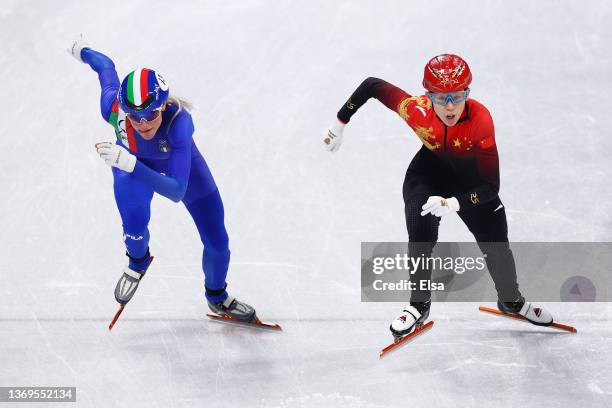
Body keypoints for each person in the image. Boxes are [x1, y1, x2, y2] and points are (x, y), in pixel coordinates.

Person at [324, 54, 554, 337]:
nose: (450, 106)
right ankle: (418, 306)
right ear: (428, 95)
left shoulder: (480, 120)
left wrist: (454, 202)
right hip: (428, 174)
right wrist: (339, 123)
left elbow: (490, 187)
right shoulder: (415, 109)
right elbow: (372, 85)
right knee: (419, 222)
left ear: (467, 93)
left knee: (496, 245)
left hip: (472, 184)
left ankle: (510, 300)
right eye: (442, 97)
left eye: (457, 97)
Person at [68, 35, 256, 322]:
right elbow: (105, 67)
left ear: (162, 104)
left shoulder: (179, 122)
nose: (143, 124)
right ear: (124, 111)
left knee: (218, 241)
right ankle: (138, 261)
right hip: (131, 167)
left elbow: (178, 189)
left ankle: (217, 297)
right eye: (134, 117)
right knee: (133, 223)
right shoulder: (112, 108)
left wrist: (130, 162)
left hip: (168, 166)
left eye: (151, 114)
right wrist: (83, 50)